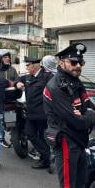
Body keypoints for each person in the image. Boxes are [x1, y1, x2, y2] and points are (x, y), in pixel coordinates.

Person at [43, 43, 95, 188]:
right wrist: (88, 115)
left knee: (82, 182)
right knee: (68, 185)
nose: (78, 65)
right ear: (62, 62)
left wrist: (86, 113)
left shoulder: (75, 81)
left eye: (80, 62)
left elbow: (89, 106)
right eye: (73, 62)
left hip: (80, 140)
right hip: (66, 139)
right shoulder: (56, 86)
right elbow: (75, 120)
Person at [16, 56, 53, 169]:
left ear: (34, 66)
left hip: (42, 114)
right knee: (30, 133)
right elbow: (18, 78)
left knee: (41, 136)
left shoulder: (47, 77)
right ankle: (46, 155)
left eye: (28, 65)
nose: (26, 67)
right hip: (31, 113)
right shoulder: (28, 77)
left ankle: (45, 159)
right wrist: (17, 83)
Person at [0, 50, 18, 148]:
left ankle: (14, 138)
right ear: (0, 59)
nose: (8, 58)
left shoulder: (12, 69)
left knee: (11, 120)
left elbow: (17, 81)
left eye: (8, 57)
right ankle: (1, 138)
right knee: (0, 120)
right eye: (5, 57)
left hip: (10, 99)